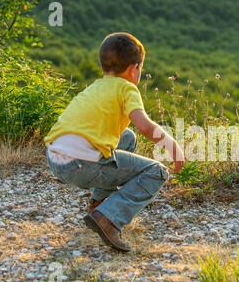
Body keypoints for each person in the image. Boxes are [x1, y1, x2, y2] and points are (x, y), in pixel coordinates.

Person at [44, 32, 184, 252]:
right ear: (133, 69)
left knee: (126, 138)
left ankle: (98, 205)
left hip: (54, 158)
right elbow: (145, 126)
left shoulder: (95, 87)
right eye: (140, 69)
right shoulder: (127, 88)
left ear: (103, 68)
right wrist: (173, 147)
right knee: (157, 172)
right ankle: (108, 219)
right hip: (81, 164)